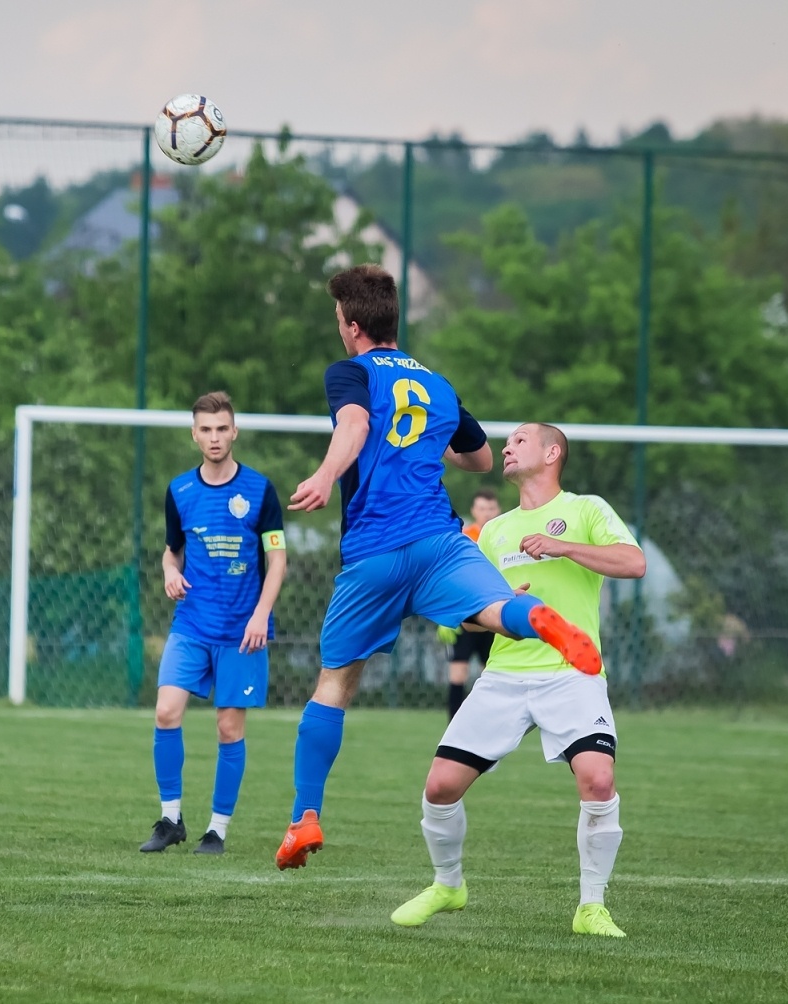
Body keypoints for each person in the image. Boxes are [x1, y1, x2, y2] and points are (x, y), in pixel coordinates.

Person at [275, 265, 601, 872]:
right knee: (496, 612)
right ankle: (543, 621)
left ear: (351, 326)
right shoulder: (440, 386)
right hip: (439, 539)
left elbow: (355, 424)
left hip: (373, 551)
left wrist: (324, 475)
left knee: (335, 684)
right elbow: (479, 459)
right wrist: (431, 441)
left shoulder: (349, 372)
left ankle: (305, 819)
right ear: (394, 320)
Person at [391, 423, 645, 937]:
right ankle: (447, 885)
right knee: (440, 787)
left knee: (598, 780)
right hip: (504, 674)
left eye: (520, 441)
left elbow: (634, 562)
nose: (505, 447)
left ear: (552, 453)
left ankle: (591, 907)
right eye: (506, 442)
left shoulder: (586, 510)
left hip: (572, 673)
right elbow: (463, 618)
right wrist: (497, 608)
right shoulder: (494, 531)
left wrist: (566, 548)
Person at [140, 392, 288, 856]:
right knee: (166, 712)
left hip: (242, 631)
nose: (214, 437)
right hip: (192, 625)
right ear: (194, 434)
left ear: (235, 431)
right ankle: (170, 819)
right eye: (205, 429)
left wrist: (262, 613)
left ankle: (217, 830)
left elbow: (278, 558)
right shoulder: (180, 491)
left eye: (222, 428)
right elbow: (172, 549)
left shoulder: (260, 490)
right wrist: (169, 571)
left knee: (229, 728)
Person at [441, 488, 502, 719]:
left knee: (492, 673)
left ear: (498, 510)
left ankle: (490, 722)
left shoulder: (504, 537)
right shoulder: (463, 537)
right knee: (458, 672)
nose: (487, 513)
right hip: (466, 613)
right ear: (474, 511)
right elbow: (450, 576)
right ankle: (454, 726)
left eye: (491, 508)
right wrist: (446, 617)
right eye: (482, 508)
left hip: (495, 612)